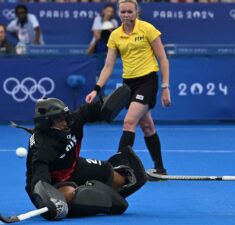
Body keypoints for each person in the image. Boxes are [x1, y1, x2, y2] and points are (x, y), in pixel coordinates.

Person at [16, 86, 147, 220]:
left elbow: (90, 110)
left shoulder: (72, 121)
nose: (65, 123)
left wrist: (106, 105)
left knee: (123, 179)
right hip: (52, 181)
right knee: (69, 196)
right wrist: (48, 201)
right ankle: (96, 200)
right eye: (59, 120)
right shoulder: (43, 147)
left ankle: (101, 194)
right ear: (46, 124)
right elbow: (40, 182)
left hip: (74, 166)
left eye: (65, 118)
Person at [85, 0, 171, 175]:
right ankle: (160, 168)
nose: (126, 15)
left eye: (129, 12)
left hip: (147, 81)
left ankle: (118, 169)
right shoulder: (115, 35)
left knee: (129, 122)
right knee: (147, 126)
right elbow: (108, 66)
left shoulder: (147, 29)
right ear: (119, 13)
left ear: (136, 11)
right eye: (123, 12)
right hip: (129, 84)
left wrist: (165, 87)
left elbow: (163, 59)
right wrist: (96, 88)